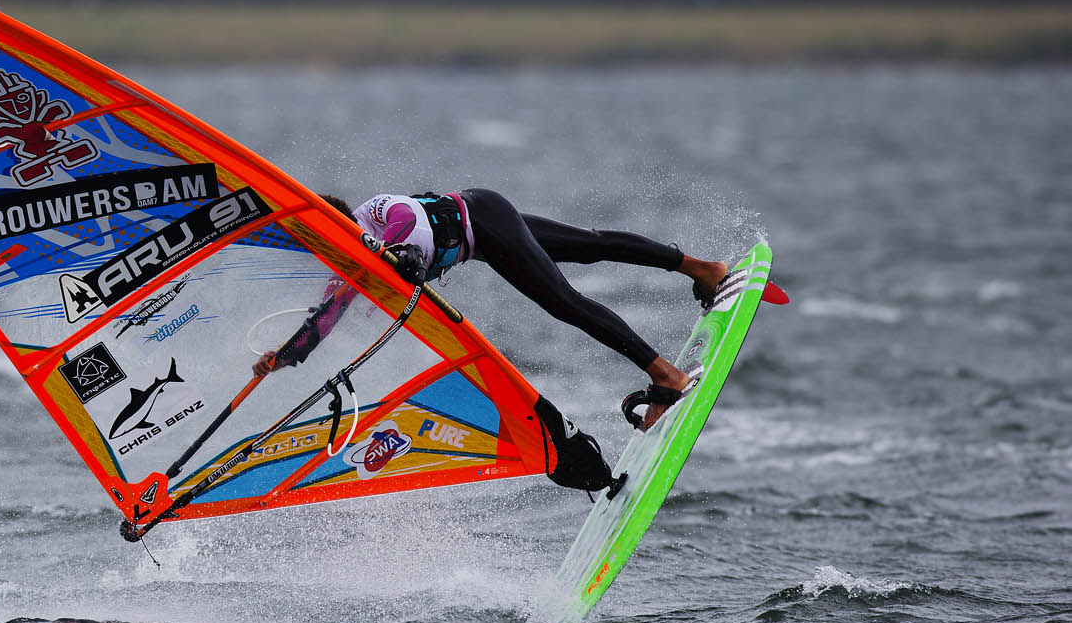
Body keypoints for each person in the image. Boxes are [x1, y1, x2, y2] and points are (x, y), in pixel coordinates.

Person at [252, 190, 729, 489]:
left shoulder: (380, 215)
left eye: (324, 244)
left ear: (340, 226)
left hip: (484, 218)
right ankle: (704, 270)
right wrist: (283, 357)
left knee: (566, 300)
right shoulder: (352, 266)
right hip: (484, 233)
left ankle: (666, 376)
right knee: (589, 246)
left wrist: (401, 256)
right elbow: (324, 320)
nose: (324, 257)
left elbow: (410, 230)